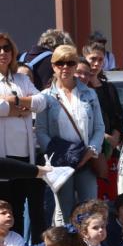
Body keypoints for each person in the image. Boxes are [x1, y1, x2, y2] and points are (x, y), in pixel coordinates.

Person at [37, 45, 105, 224]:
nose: (65, 67)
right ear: (53, 66)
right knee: (63, 211)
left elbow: (99, 127)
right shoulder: (46, 97)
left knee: (90, 210)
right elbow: (41, 131)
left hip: (86, 158)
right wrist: (57, 155)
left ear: (76, 66)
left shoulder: (89, 94)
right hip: (61, 163)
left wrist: (92, 149)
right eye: (60, 63)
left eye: (70, 63)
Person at [0, 32, 55, 239]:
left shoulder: (21, 78)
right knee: (4, 209)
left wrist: (12, 99)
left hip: (25, 154)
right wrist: (19, 107)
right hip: (3, 157)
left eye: (7, 48)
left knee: (19, 211)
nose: (3, 52)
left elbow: (41, 102)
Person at [83, 41, 123, 200]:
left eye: (100, 60)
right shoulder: (81, 88)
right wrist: (102, 135)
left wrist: (115, 135)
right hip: (90, 150)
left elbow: (117, 116)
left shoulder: (109, 88)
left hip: (110, 151)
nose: (96, 64)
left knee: (110, 194)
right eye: (92, 59)